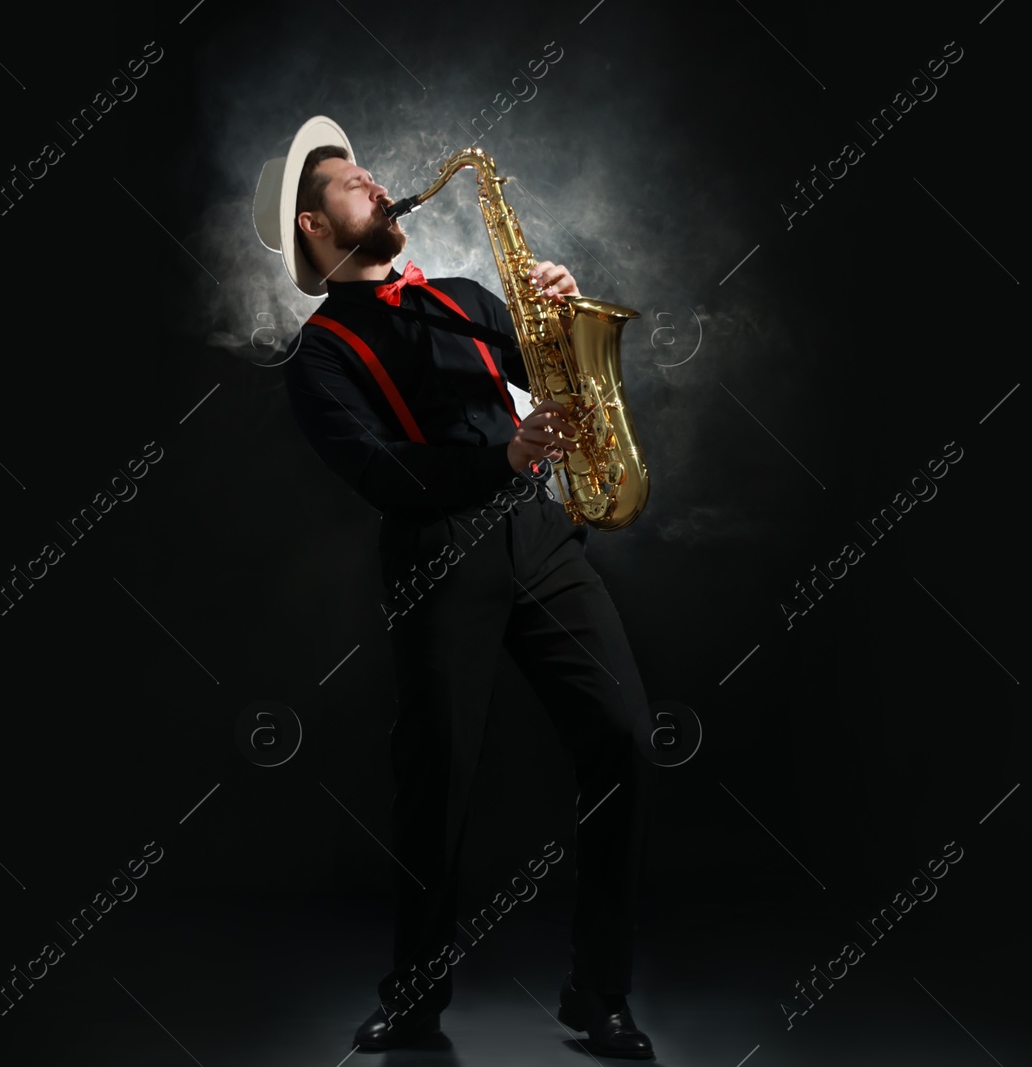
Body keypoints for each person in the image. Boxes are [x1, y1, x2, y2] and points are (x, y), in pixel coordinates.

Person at [253, 115, 656, 1059]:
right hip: (439, 553)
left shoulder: (469, 294)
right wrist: (506, 454)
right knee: (438, 781)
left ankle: (598, 995)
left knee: (625, 741)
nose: (379, 184)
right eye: (355, 182)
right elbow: (383, 476)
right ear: (316, 227)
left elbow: (550, 376)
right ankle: (416, 998)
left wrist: (555, 308)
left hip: (539, 536)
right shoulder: (318, 357)